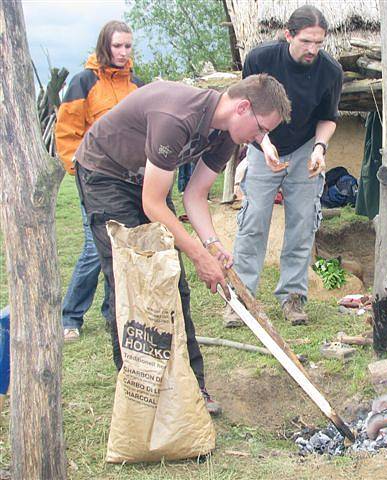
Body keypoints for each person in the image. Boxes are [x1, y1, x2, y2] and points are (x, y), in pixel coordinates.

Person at [74, 74, 291, 414]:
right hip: (106, 174)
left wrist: (212, 244)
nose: (262, 139)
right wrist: (199, 256)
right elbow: (154, 204)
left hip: (146, 181)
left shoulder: (226, 135)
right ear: (243, 107)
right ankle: (140, 394)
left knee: (173, 279)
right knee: (132, 280)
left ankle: (192, 387)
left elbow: (195, 193)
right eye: (261, 128)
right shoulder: (176, 118)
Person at [228, 5, 343, 327]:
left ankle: (293, 298)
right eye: (306, 41)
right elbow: (244, 108)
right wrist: (262, 142)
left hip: (305, 149)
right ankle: (241, 298)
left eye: (319, 43)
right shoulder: (260, 59)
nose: (313, 50)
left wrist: (320, 149)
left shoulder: (330, 72)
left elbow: (328, 119)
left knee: (302, 224)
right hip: (262, 143)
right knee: (253, 222)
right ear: (288, 34)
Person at [55, 20, 144, 343]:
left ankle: (114, 312)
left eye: (128, 46)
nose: (122, 52)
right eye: (117, 46)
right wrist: (77, 169)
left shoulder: (137, 84)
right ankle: (71, 315)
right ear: (104, 46)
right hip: (93, 178)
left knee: (120, 247)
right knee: (95, 248)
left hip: (128, 181)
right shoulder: (83, 82)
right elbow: (67, 132)